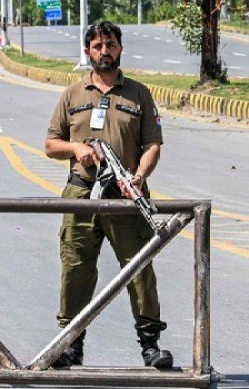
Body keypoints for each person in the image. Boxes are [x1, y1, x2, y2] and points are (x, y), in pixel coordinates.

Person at [43, 21, 170, 370]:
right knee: (76, 268)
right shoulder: (72, 94)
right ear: (88, 51)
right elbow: (51, 145)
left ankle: (150, 344)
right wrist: (75, 149)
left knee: (139, 267)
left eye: (110, 45)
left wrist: (139, 178)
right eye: (98, 46)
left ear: (120, 49)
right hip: (82, 192)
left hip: (125, 194)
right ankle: (70, 343)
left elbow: (153, 145)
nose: (105, 52)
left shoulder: (138, 94)